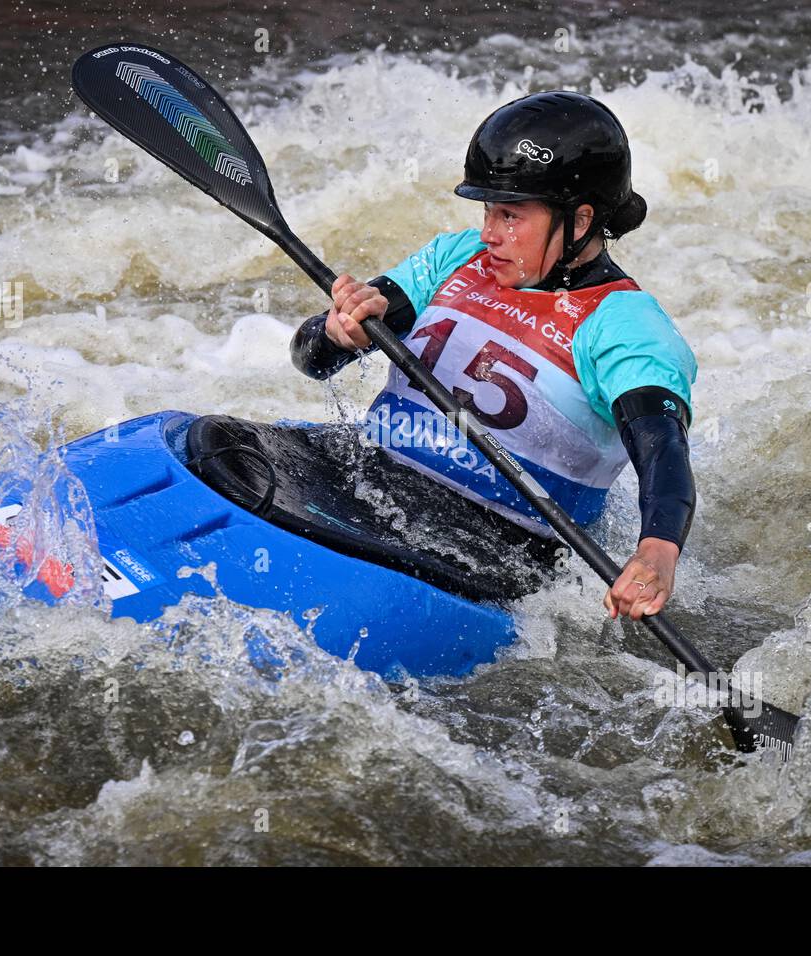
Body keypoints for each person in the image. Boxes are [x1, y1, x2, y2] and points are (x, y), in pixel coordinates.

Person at [291, 90, 697, 622]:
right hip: (367, 481)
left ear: (579, 222)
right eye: (488, 210)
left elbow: (662, 452)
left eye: (511, 216)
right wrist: (339, 333)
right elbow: (310, 359)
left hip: (490, 552)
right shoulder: (456, 257)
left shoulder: (627, 327)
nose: (489, 234)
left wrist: (657, 550)